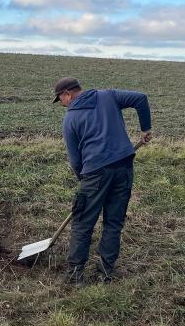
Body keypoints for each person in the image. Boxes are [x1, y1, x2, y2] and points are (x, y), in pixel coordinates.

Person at [53, 77, 152, 285]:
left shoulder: (70, 119)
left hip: (95, 173)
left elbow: (75, 159)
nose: (62, 104)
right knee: (114, 222)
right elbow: (141, 99)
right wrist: (145, 129)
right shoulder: (108, 96)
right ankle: (106, 270)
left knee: (82, 223)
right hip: (124, 166)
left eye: (60, 99)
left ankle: (74, 275)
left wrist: (84, 180)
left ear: (67, 94)